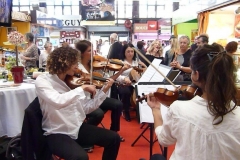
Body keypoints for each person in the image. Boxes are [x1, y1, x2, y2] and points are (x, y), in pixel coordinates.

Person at [147, 44, 240, 160]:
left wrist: (156, 110)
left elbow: (164, 140)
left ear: (196, 75)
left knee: (156, 157)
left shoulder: (179, 109)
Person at [35, 47, 120, 160]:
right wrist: (82, 88)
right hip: (56, 132)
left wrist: (104, 90)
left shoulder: (72, 81)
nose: (77, 66)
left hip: (76, 127)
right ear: (63, 62)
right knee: (80, 157)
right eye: (74, 63)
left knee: (114, 138)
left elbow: (86, 108)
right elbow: (57, 101)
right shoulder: (43, 81)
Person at [75, 40, 131, 141]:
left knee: (118, 104)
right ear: (82, 53)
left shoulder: (96, 65)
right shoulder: (77, 68)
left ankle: (114, 132)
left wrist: (121, 71)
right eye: (89, 51)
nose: (93, 52)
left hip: (96, 95)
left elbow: (108, 78)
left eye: (92, 49)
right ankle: (84, 134)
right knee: (98, 113)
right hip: (84, 99)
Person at [116, 43, 147, 121]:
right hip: (123, 83)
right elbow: (116, 76)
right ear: (124, 52)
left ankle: (140, 111)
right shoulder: (120, 62)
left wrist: (144, 66)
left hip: (135, 82)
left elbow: (141, 73)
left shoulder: (136, 61)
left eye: (132, 51)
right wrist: (124, 79)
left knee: (143, 91)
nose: (130, 53)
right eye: (128, 51)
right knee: (126, 92)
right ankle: (126, 111)